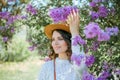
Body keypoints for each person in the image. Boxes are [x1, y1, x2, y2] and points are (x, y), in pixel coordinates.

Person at [38, 9, 87, 80]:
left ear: (69, 41)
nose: (55, 43)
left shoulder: (76, 66)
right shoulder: (47, 67)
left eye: (60, 39)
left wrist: (75, 33)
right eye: (53, 39)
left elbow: (81, 66)